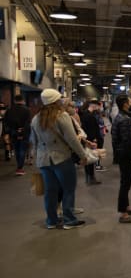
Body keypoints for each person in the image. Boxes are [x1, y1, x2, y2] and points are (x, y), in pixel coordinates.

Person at [30, 89, 87, 229]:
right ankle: (69, 220)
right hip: (61, 158)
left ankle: (51, 221)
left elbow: (34, 141)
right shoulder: (62, 116)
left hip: (43, 160)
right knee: (68, 189)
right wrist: (82, 155)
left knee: (50, 191)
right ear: (56, 101)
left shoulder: (36, 118)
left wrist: (35, 159)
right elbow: (72, 139)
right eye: (60, 99)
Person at [111, 95, 131, 223]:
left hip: (122, 155)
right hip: (126, 156)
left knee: (126, 183)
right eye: (129, 101)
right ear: (125, 104)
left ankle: (126, 207)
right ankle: (123, 213)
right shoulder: (125, 119)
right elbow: (126, 141)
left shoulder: (121, 117)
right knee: (125, 184)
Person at [4, 94, 31, 176]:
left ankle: (19, 166)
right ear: (22, 100)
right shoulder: (27, 110)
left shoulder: (9, 110)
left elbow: (6, 122)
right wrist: (22, 130)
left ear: (14, 100)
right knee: (22, 150)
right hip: (24, 133)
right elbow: (28, 122)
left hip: (13, 133)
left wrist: (13, 131)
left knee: (17, 150)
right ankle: (20, 168)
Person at [80, 100, 102, 185]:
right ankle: (91, 178)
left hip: (86, 139)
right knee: (91, 158)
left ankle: (88, 178)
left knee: (88, 158)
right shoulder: (90, 116)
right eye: (98, 105)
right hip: (90, 139)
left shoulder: (85, 114)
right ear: (93, 105)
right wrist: (94, 139)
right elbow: (91, 129)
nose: (99, 107)